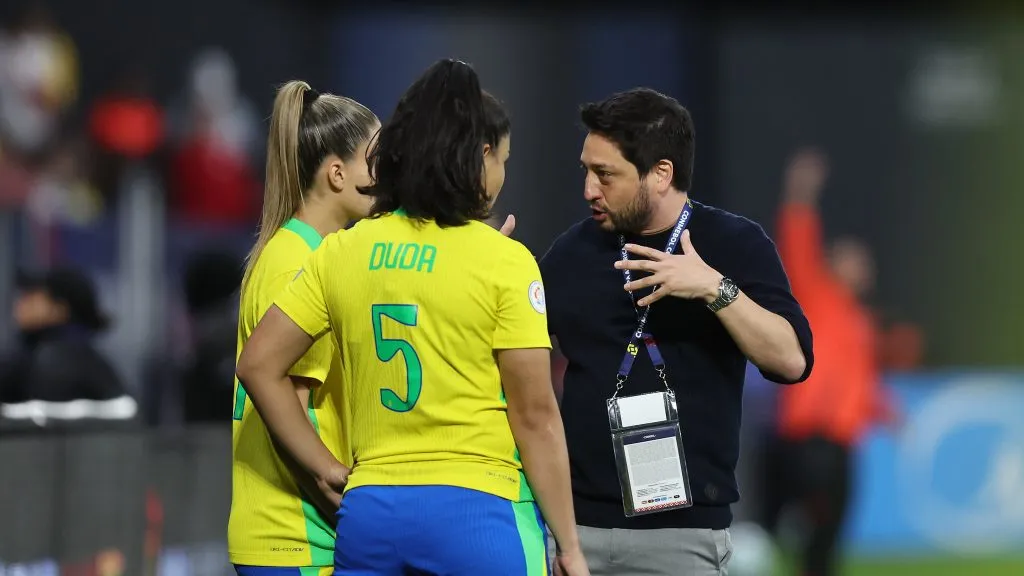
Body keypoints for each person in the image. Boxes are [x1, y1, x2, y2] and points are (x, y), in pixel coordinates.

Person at [236, 59, 589, 576]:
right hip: (478, 512)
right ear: (480, 155)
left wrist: (328, 469)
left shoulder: (344, 251)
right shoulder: (504, 260)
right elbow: (535, 416)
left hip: (371, 518)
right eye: (502, 159)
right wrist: (570, 546)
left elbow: (258, 364)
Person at [538, 88, 814, 575]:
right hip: (575, 534)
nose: (588, 189)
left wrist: (714, 288)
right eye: (585, 170)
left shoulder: (734, 243)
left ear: (661, 174)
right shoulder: (570, 254)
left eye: (605, 174)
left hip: (684, 538)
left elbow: (791, 360)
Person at [227, 80, 379, 576]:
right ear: (338, 173)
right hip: (295, 539)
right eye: (375, 161)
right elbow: (284, 394)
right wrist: (330, 477)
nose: (387, 176)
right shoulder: (298, 263)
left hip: (298, 537)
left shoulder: (310, 253)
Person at [767, 148, 897, 576]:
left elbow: (861, 383)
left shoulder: (861, 321)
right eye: (853, 258)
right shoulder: (815, 294)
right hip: (809, 435)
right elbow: (798, 238)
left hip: (841, 441)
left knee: (831, 536)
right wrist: (801, 190)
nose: (863, 265)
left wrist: (885, 412)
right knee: (811, 522)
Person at [0, 266, 134, 424]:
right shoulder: (86, 359)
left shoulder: (54, 361)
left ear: (59, 309)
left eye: (30, 297)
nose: (19, 304)